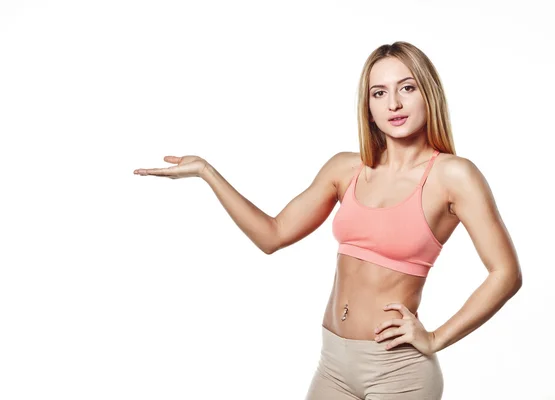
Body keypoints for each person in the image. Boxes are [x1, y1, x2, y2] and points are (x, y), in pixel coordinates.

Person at [133, 41, 522, 399]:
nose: (394, 104)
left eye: (407, 88)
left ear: (428, 93)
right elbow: (273, 235)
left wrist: (436, 338)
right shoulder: (345, 169)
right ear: (367, 106)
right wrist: (207, 172)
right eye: (379, 93)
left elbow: (506, 273)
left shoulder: (453, 176)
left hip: (398, 370)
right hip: (333, 364)